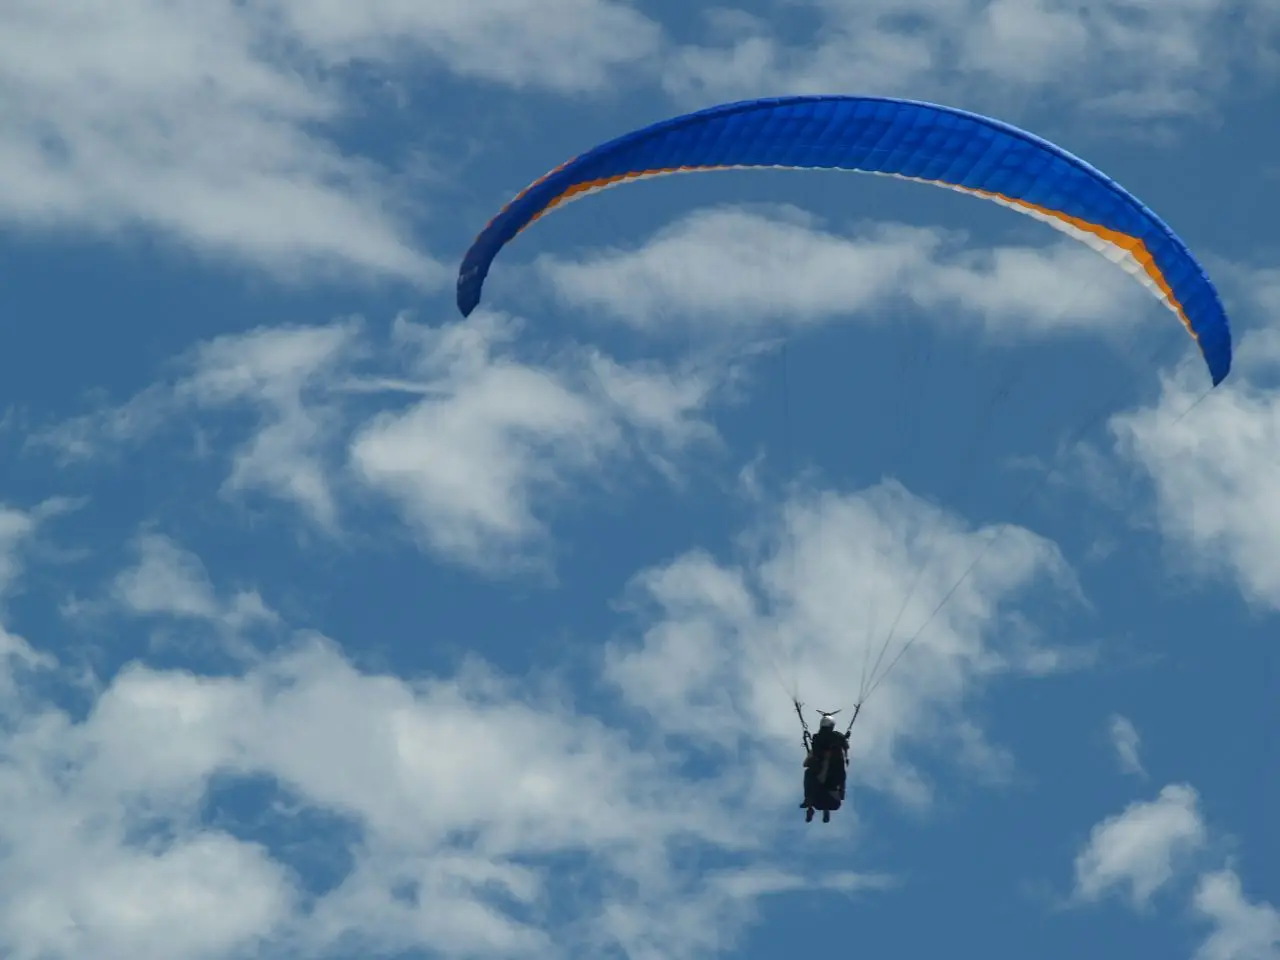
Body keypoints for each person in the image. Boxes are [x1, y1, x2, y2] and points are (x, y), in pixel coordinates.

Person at [800, 714, 850, 823]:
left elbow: (806, 764)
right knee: (819, 777)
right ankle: (819, 808)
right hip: (833, 799)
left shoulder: (819, 741)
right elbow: (844, 769)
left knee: (809, 774)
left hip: (821, 797)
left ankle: (809, 804)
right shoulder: (839, 744)